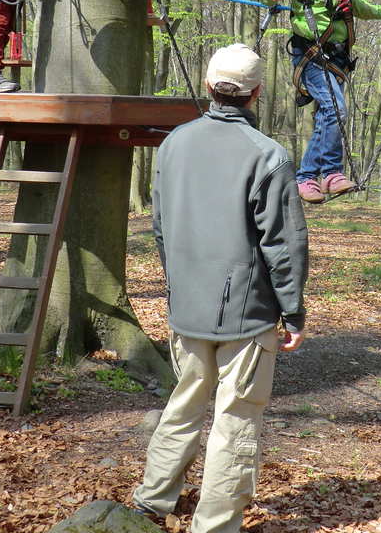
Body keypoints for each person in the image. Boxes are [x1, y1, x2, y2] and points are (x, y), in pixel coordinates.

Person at [132, 43, 309, 533]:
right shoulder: (268, 155)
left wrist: (178, 285)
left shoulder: (174, 144)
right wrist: (292, 312)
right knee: (235, 420)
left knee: (184, 402)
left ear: (210, 87)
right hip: (246, 316)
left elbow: (161, 227)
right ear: (256, 93)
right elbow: (284, 244)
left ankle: (152, 500)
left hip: (188, 306)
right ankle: (213, 526)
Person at [260, 0, 381, 204]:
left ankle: (307, 177)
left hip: (338, 59)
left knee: (330, 115)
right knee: (336, 110)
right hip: (311, 55)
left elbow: (355, 4)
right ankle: (329, 173)